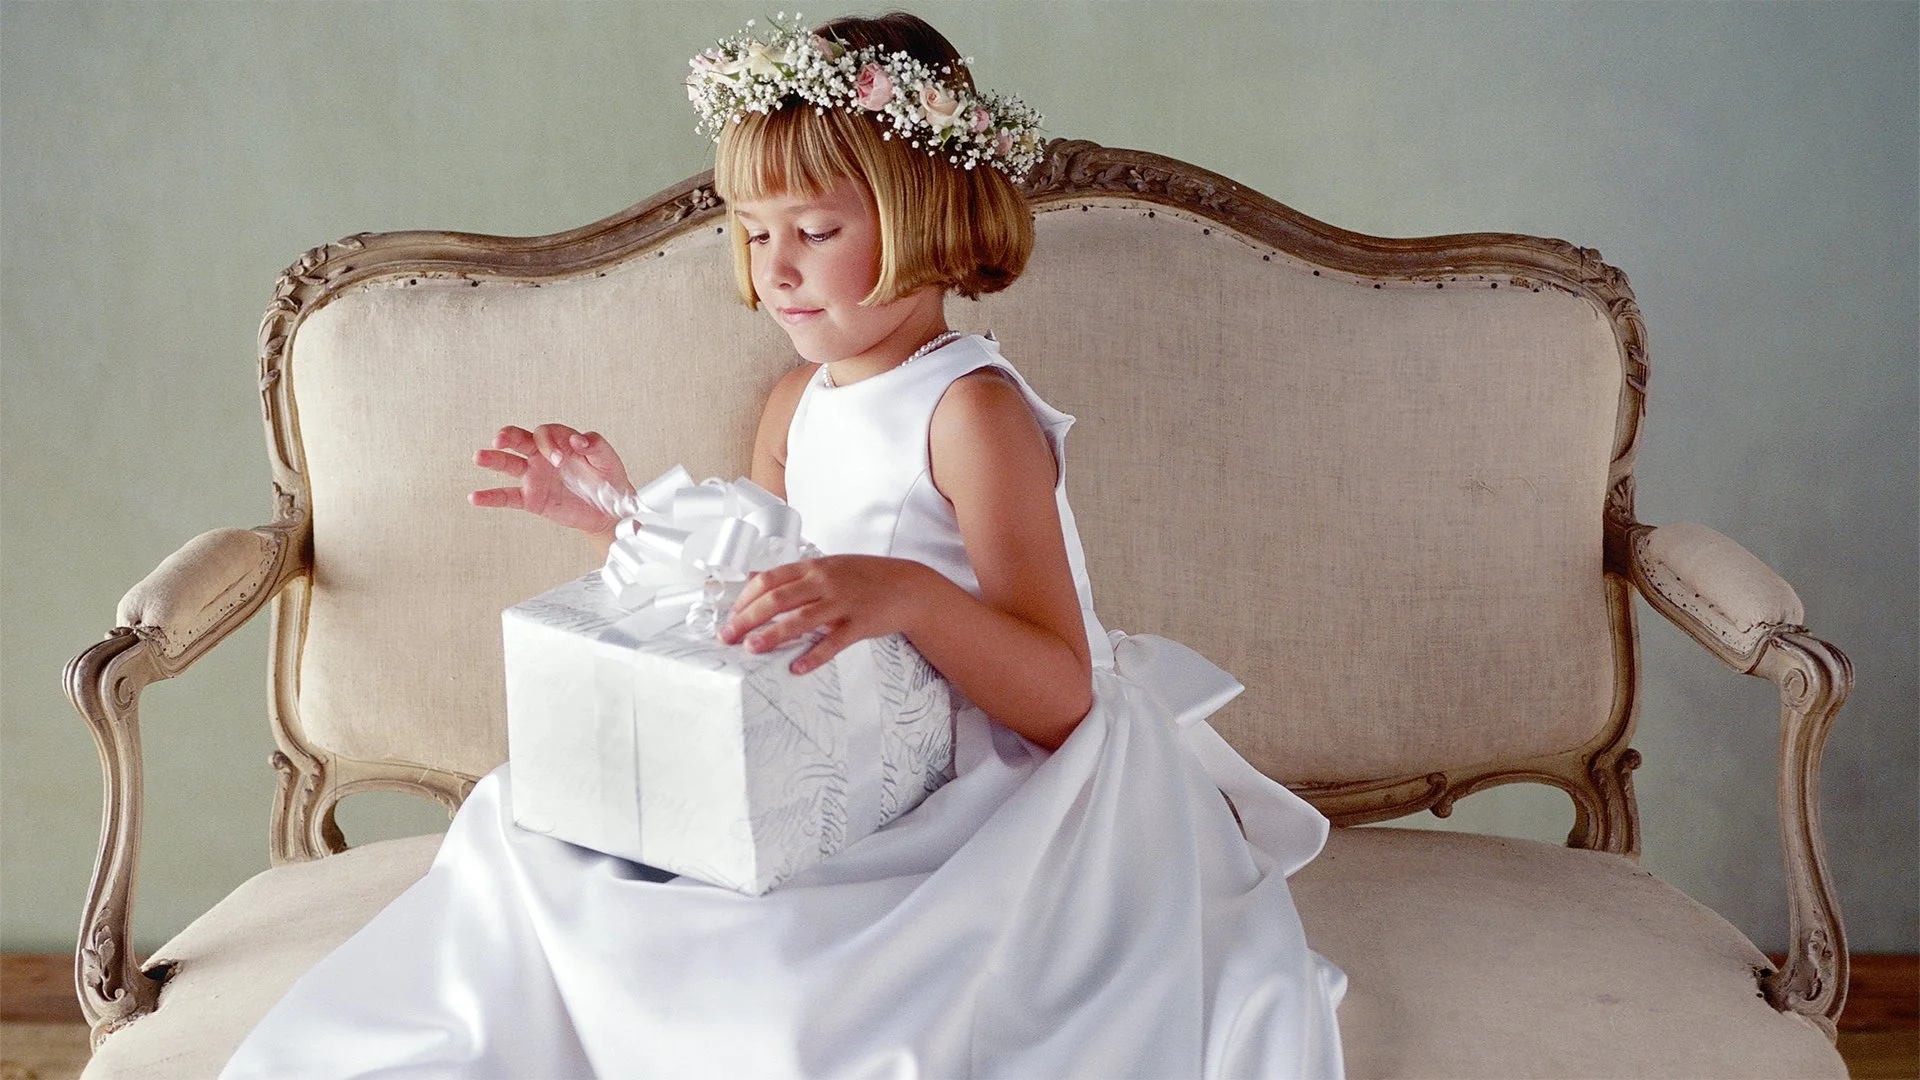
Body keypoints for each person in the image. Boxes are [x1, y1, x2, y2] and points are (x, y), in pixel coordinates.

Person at [223, 11, 1345, 1078]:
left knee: (804, 987)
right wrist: (622, 519)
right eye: (756, 235)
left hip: (983, 778)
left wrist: (907, 596)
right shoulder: (792, 404)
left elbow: (1060, 693)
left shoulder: (972, 413)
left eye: (816, 232)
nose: (777, 269)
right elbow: (757, 596)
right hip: (833, 734)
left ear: (924, 224)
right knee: (528, 829)